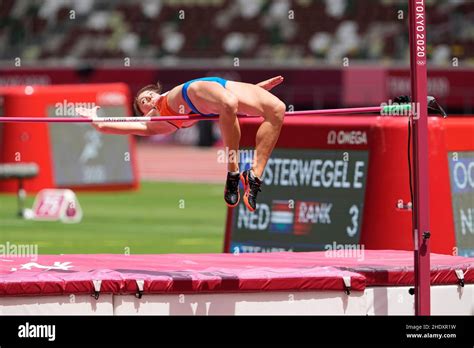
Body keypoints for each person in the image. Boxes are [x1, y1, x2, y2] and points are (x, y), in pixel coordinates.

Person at [78, 76, 285, 212]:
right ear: (146, 113)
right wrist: (98, 122)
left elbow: (224, 100)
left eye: (148, 94)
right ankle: (233, 172)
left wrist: (253, 91)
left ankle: (254, 175)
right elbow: (119, 126)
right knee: (229, 104)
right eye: (143, 102)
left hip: (215, 87)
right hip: (197, 94)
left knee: (277, 108)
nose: (148, 98)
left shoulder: (165, 98)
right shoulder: (154, 123)